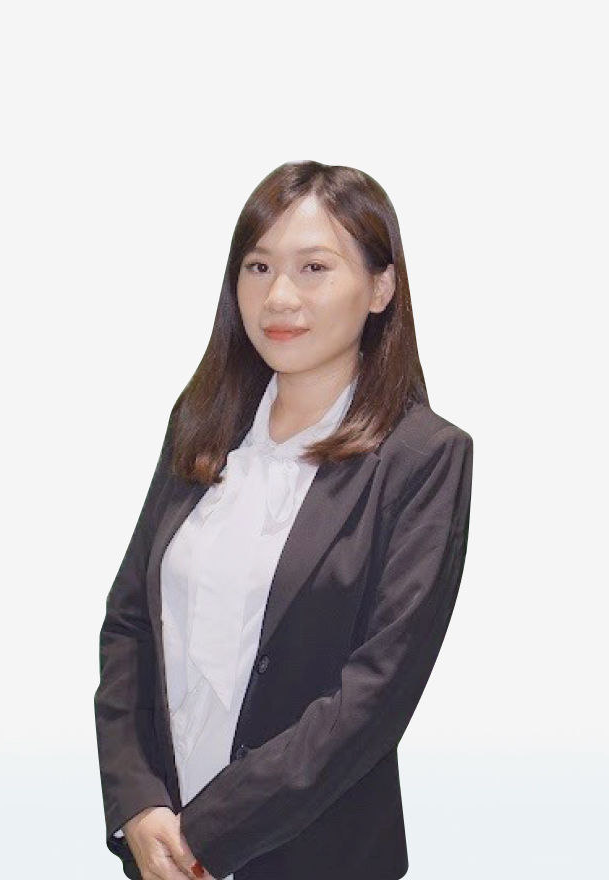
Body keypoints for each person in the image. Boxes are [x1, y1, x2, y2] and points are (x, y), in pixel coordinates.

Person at [94, 159, 474, 880]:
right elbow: (130, 624)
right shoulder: (201, 422)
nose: (279, 296)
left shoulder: (423, 457)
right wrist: (138, 805)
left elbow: (375, 694)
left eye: (314, 268)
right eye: (259, 266)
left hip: (312, 857)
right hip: (163, 851)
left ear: (381, 288)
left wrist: (208, 834)